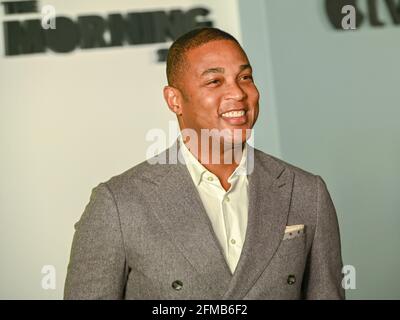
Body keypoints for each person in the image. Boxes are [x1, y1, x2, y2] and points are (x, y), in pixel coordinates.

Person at [64, 27, 345, 299]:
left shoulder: (307, 192)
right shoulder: (118, 204)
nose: (238, 93)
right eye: (215, 81)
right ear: (174, 100)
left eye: (245, 77)